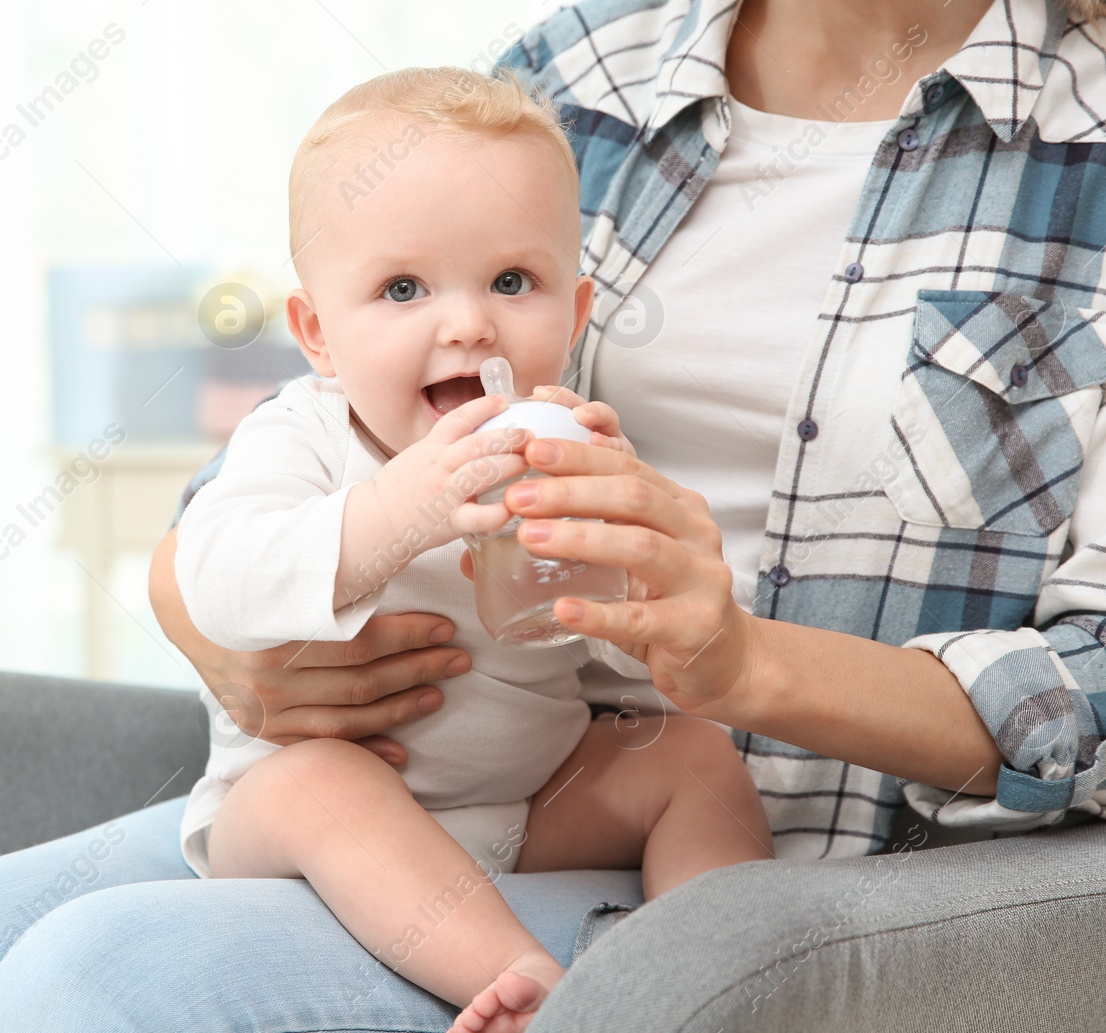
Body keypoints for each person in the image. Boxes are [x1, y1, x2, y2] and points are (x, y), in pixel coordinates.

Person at [0, 1, 1106, 1030]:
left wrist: (739, 667)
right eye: (425, 295)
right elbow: (277, 476)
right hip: (391, 775)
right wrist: (226, 628)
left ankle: (649, 976)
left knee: (95, 982)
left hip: (775, 841)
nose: (468, 326)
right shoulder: (574, 70)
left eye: (518, 295)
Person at [171, 67, 773, 1032]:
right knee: (321, 782)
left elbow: (625, 665)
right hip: (305, 814)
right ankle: (532, 983)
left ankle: (725, 979)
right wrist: (393, 512)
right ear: (318, 334)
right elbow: (218, 577)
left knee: (693, 757)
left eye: (511, 281)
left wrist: (620, 576)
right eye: (402, 288)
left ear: (574, 317)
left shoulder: (571, 445)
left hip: (527, 807)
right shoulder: (302, 435)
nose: (467, 322)